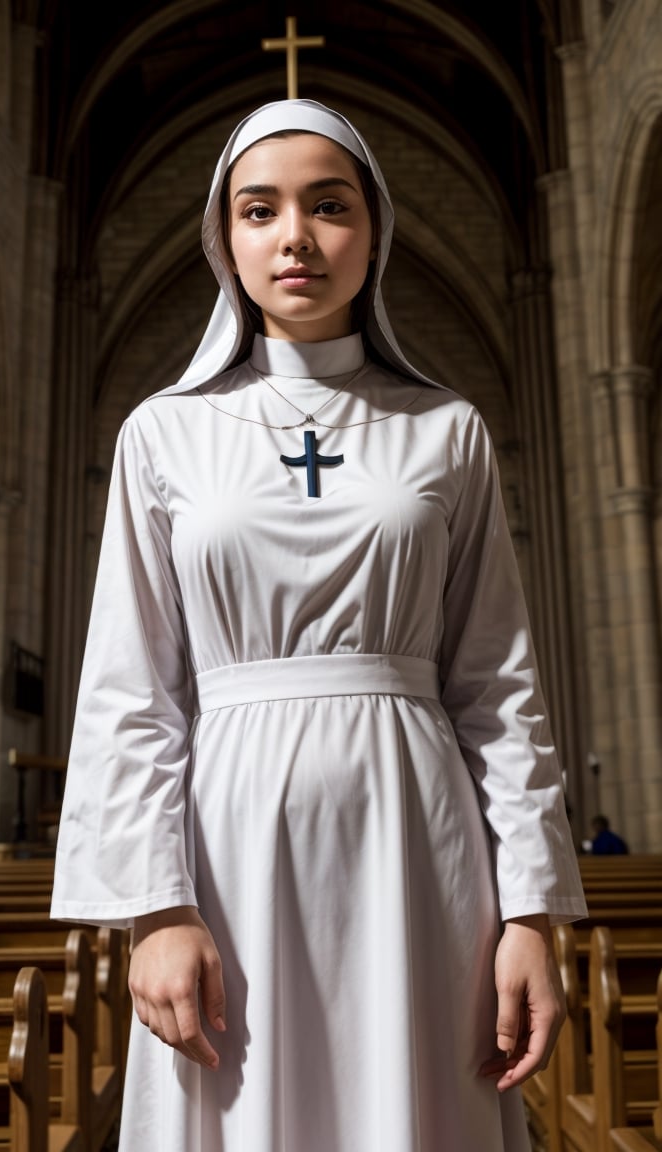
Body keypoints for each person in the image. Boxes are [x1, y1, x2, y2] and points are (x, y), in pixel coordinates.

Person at [51, 100, 587, 1151]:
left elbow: (497, 688)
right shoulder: (164, 432)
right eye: (261, 210)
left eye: (328, 206)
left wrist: (530, 913)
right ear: (226, 238)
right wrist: (155, 909)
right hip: (229, 844)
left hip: (419, 844)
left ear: (374, 229)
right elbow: (132, 690)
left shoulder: (447, 429)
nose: (295, 236)